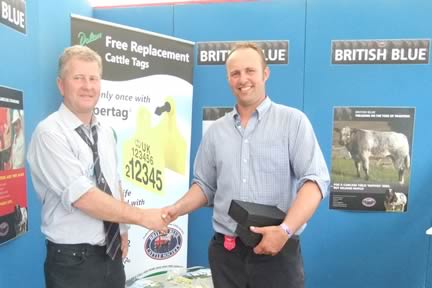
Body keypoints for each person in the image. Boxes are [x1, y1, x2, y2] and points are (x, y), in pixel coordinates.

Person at [162, 42, 330, 288]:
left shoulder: (293, 122)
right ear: (229, 79)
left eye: (250, 71)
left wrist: (284, 231)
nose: (243, 79)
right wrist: (177, 209)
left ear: (265, 73)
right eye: (235, 73)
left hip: (277, 251)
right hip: (226, 255)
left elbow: (315, 182)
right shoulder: (216, 132)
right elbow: (205, 186)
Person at [27, 45, 167, 288]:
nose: (88, 86)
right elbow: (84, 197)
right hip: (72, 263)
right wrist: (142, 217)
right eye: (78, 78)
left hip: (111, 256)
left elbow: (114, 182)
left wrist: (122, 229)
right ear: (61, 85)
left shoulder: (105, 132)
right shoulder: (49, 133)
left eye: (93, 78)